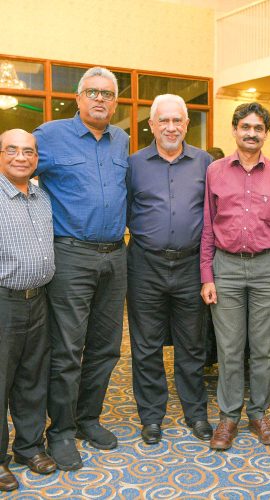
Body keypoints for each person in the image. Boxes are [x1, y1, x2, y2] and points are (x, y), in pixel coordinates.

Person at [33, 67, 129, 470]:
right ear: (77, 98)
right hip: (71, 255)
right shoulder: (50, 135)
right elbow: (13, 170)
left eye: (107, 93)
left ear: (115, 102)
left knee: (106, 347)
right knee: (68, 349)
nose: (100, 99)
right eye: (92, 92)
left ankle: (89, 418)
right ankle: (61, 430)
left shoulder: (121, 139)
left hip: (116, 255)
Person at [200, 102, 270, 450]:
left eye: (258, 128)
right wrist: (207, 275)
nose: (251, 133)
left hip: (267, 268)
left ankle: (258, 413)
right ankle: (228, 417)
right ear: (235, 130)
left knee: (265, 349)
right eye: (245, 127)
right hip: (225, 268)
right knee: (228, 348)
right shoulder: (215, 171)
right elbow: (207, 227)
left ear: (266, 133)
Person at [126, 94, 213, 444]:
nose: (171, 127)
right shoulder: (133, 164)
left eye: (177, 120)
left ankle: (196, 413)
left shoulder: (205, 162)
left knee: (192, 345)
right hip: (145, 265)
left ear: (187, 124)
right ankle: (151, 417)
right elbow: (125, 208)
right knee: (146, 346)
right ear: (151, 125)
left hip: (191, 265)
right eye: (164, 120)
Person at [0, 129, 56, 491]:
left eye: (29, 152)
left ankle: (29, 447)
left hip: (39, 299)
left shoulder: (41, 196)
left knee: (33, 378)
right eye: (12, 150)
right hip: (4, 301)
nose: (21, 157)